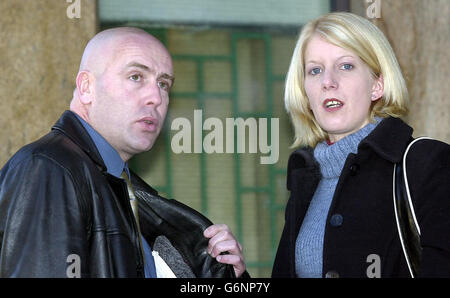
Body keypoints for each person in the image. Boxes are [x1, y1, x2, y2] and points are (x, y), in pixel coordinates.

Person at [0, 27, 247, 278]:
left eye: (163, 84)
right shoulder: (50, 168)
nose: (156, 97)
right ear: (86, 87)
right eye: (136, 77)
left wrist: (224, 278)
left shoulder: (120, 186)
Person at [272, 12, 450, 278]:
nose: (328, 82)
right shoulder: (305, 179)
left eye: (345, 66)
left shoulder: (425, 164)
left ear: (377, 85)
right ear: (306, 93)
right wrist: (235, 275)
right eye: (315, 70)